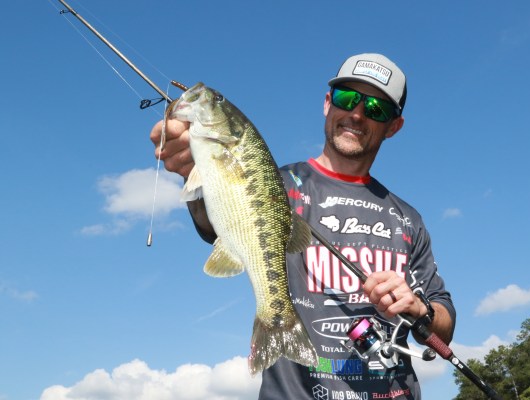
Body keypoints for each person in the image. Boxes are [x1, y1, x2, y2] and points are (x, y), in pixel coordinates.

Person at [150, 53, 455, 400]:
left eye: (377, 108)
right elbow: (214, 224)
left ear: (394, 126)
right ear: (327, 103)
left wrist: (420, 309)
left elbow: (444, 325)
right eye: (347, 98)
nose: (357, 114)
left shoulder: (408, 219)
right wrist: (193, 172)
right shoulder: (277, 184)